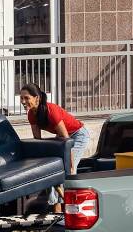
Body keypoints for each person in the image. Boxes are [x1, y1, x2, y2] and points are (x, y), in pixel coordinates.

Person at [19, 83, 91, 212]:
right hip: (62, 138)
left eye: (26, 98)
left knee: (67, 170)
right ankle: (56, 209)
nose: (23, 102)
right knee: (51, 170)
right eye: (21, 98)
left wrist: (70, 163)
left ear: (37, 98)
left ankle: (70, 208)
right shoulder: (31, 115)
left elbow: (67, 140)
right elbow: (38, 141)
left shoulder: (51, 111)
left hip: (77, 136)